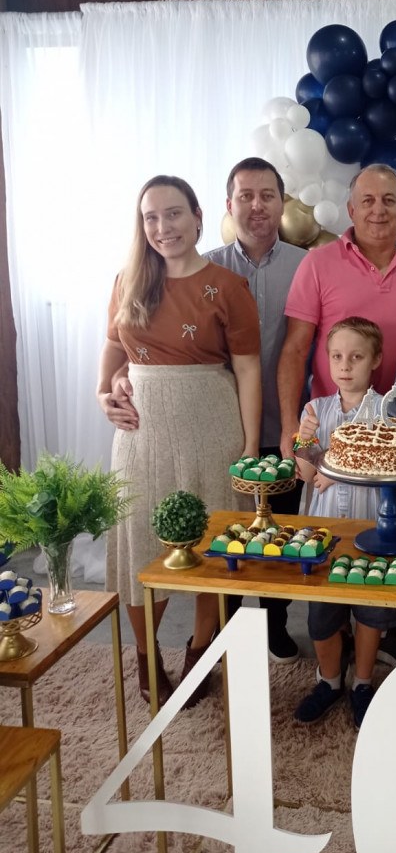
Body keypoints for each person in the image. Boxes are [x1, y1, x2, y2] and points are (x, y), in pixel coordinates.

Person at [97, 175, 262, 707]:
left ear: (197, 216)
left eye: (173, 214)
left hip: (211, 424)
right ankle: (147, 656)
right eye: (151, 217)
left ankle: (200, 646)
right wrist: (105, 391)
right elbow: (111, 350)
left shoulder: (229, 287)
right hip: (142, 432)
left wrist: (251, 447)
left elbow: (248, 369)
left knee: (210, 540)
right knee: (141, 541)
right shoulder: (128, 280)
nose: (162, 227)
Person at [278, 163, 396, 667]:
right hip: (331, 434)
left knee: (386, 545)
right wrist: (293, 431)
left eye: (389, 200)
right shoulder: (318, 263)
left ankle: (375, 644)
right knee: (332, 558)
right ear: (349, 209)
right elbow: (295, 349)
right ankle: (333, 664)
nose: (378, 209)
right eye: (367, 200)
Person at [204, 157, 308, 663]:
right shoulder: (204, 268)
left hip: (285, 422)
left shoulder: (306, 265)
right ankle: (220, 628)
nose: (257, 205)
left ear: (282, 203)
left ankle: (276, 621)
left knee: (281, 528)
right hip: (223, 425)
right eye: (245, 195)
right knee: (227, 527)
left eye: (267, 195)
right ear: (230, 205)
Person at [292, 317, 396, 729]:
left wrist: (336, 469)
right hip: (322, 531)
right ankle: (330, 680)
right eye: (337, 356)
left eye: (356, 357)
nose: (345, 365)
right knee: (322, 613)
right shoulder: (316, 409)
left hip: (370, 526)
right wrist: (303, 440)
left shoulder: (387, 410)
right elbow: (304, 472)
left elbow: (386, 461)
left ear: (375, 360)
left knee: (369, 611)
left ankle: (364, 682)